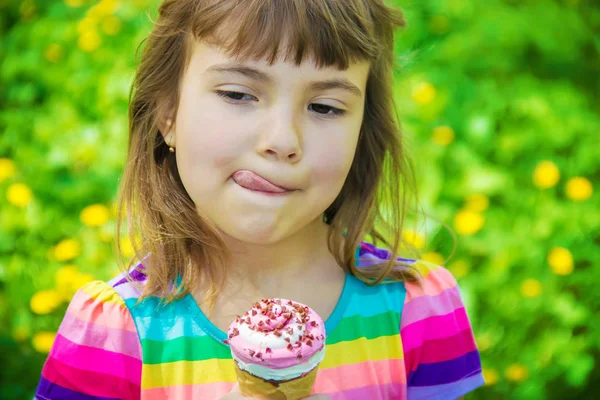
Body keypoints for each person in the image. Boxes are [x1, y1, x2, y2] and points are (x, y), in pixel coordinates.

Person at [34, 0, 485, 399]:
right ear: (168, 113)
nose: (282, 140)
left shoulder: (419, 314)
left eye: (325, 106)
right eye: (238, 94)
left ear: (361, 131)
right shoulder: (111, 335)